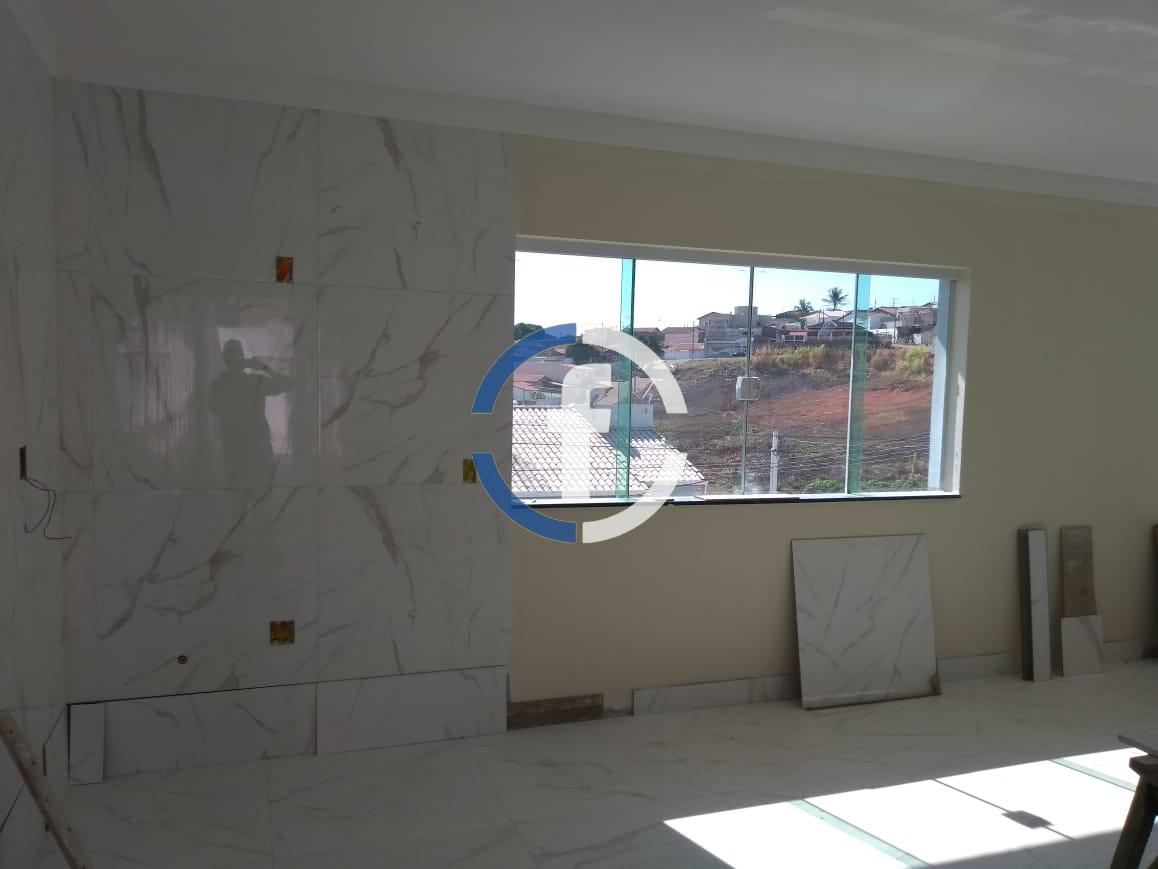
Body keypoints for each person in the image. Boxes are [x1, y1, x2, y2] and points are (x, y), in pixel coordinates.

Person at [208, 339, 291, 484]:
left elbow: (216, 409)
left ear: (225, 359)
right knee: (262, 491)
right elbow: (288, 383)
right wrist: (264, 368)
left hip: (234, 446)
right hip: (257, 445)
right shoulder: (255, 382)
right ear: (242, 358)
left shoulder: (217, 385)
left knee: (237, 491)